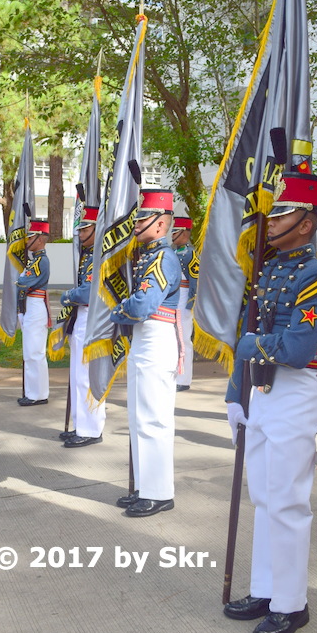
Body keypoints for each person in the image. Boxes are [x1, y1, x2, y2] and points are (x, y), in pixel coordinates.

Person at [225, 172, 317, 633]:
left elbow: (294, 346)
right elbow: (246, 334)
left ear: (307, 223)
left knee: (288, 501)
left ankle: (291, 604)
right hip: (263, 391)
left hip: (294, 391)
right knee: (264, 497)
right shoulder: (268, 269)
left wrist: (252, 348)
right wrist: (235, 393)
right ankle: (265, 589)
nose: (271, 220)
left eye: (284, 212)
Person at [111, 188, 182, 517]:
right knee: (139, 417)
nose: (136, 224)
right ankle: (144, 486)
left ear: (162, 223)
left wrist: (117, 311)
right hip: (145, 338)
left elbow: (142, 304)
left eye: (143, 219)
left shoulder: (163, 257)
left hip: (156, 336)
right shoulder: (149, 255)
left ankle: (158, 492)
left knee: (154, 417)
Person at [59, 206, 106, 447]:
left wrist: (67, 296)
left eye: (85, 227)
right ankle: (81, 424)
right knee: (78, 376)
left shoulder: (99, 256)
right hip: (81, 317)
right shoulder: (86, 256)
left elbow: (88, 292)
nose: (80, 233)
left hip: (92, 317)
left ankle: (91, 429)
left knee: (88, 376)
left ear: (97, 229)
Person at [16, 220, 51, 406]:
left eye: (30, 236)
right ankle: (33, 392)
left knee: (35, 352)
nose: (27, 240)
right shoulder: (34, 261)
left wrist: (21, 278)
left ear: (39, 239)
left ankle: (38, 394)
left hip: (35, 305)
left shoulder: (40, 262)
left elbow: (23, 283)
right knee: (30, 352)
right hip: (30, 306)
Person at [171, 216, 200, 392]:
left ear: (186, 233)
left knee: (183, 339)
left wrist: (191, 303)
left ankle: (183, 378)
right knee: (172, 338)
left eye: (176, 231)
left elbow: (195, 280)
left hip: (183, 297)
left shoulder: (190, 254)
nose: (172, 234)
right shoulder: (172, 252)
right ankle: (174, 375)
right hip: (172, 298)